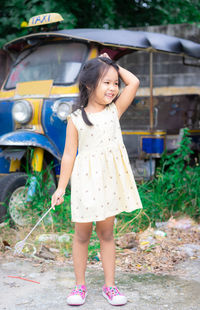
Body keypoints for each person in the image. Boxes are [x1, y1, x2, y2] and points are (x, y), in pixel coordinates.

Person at [51, 53, 143, 306]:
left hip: (109, 183)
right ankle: (79, 286)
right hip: (85, 183)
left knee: (106, 233)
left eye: (115, 83)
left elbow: (133, 82)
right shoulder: (76, 119)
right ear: (90, 84)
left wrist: (113, 65)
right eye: (107, 82)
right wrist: (61, 188)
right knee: (82, 235)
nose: (114, 88)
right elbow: (69, 155)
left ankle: (110, 287)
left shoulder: (115, 110)